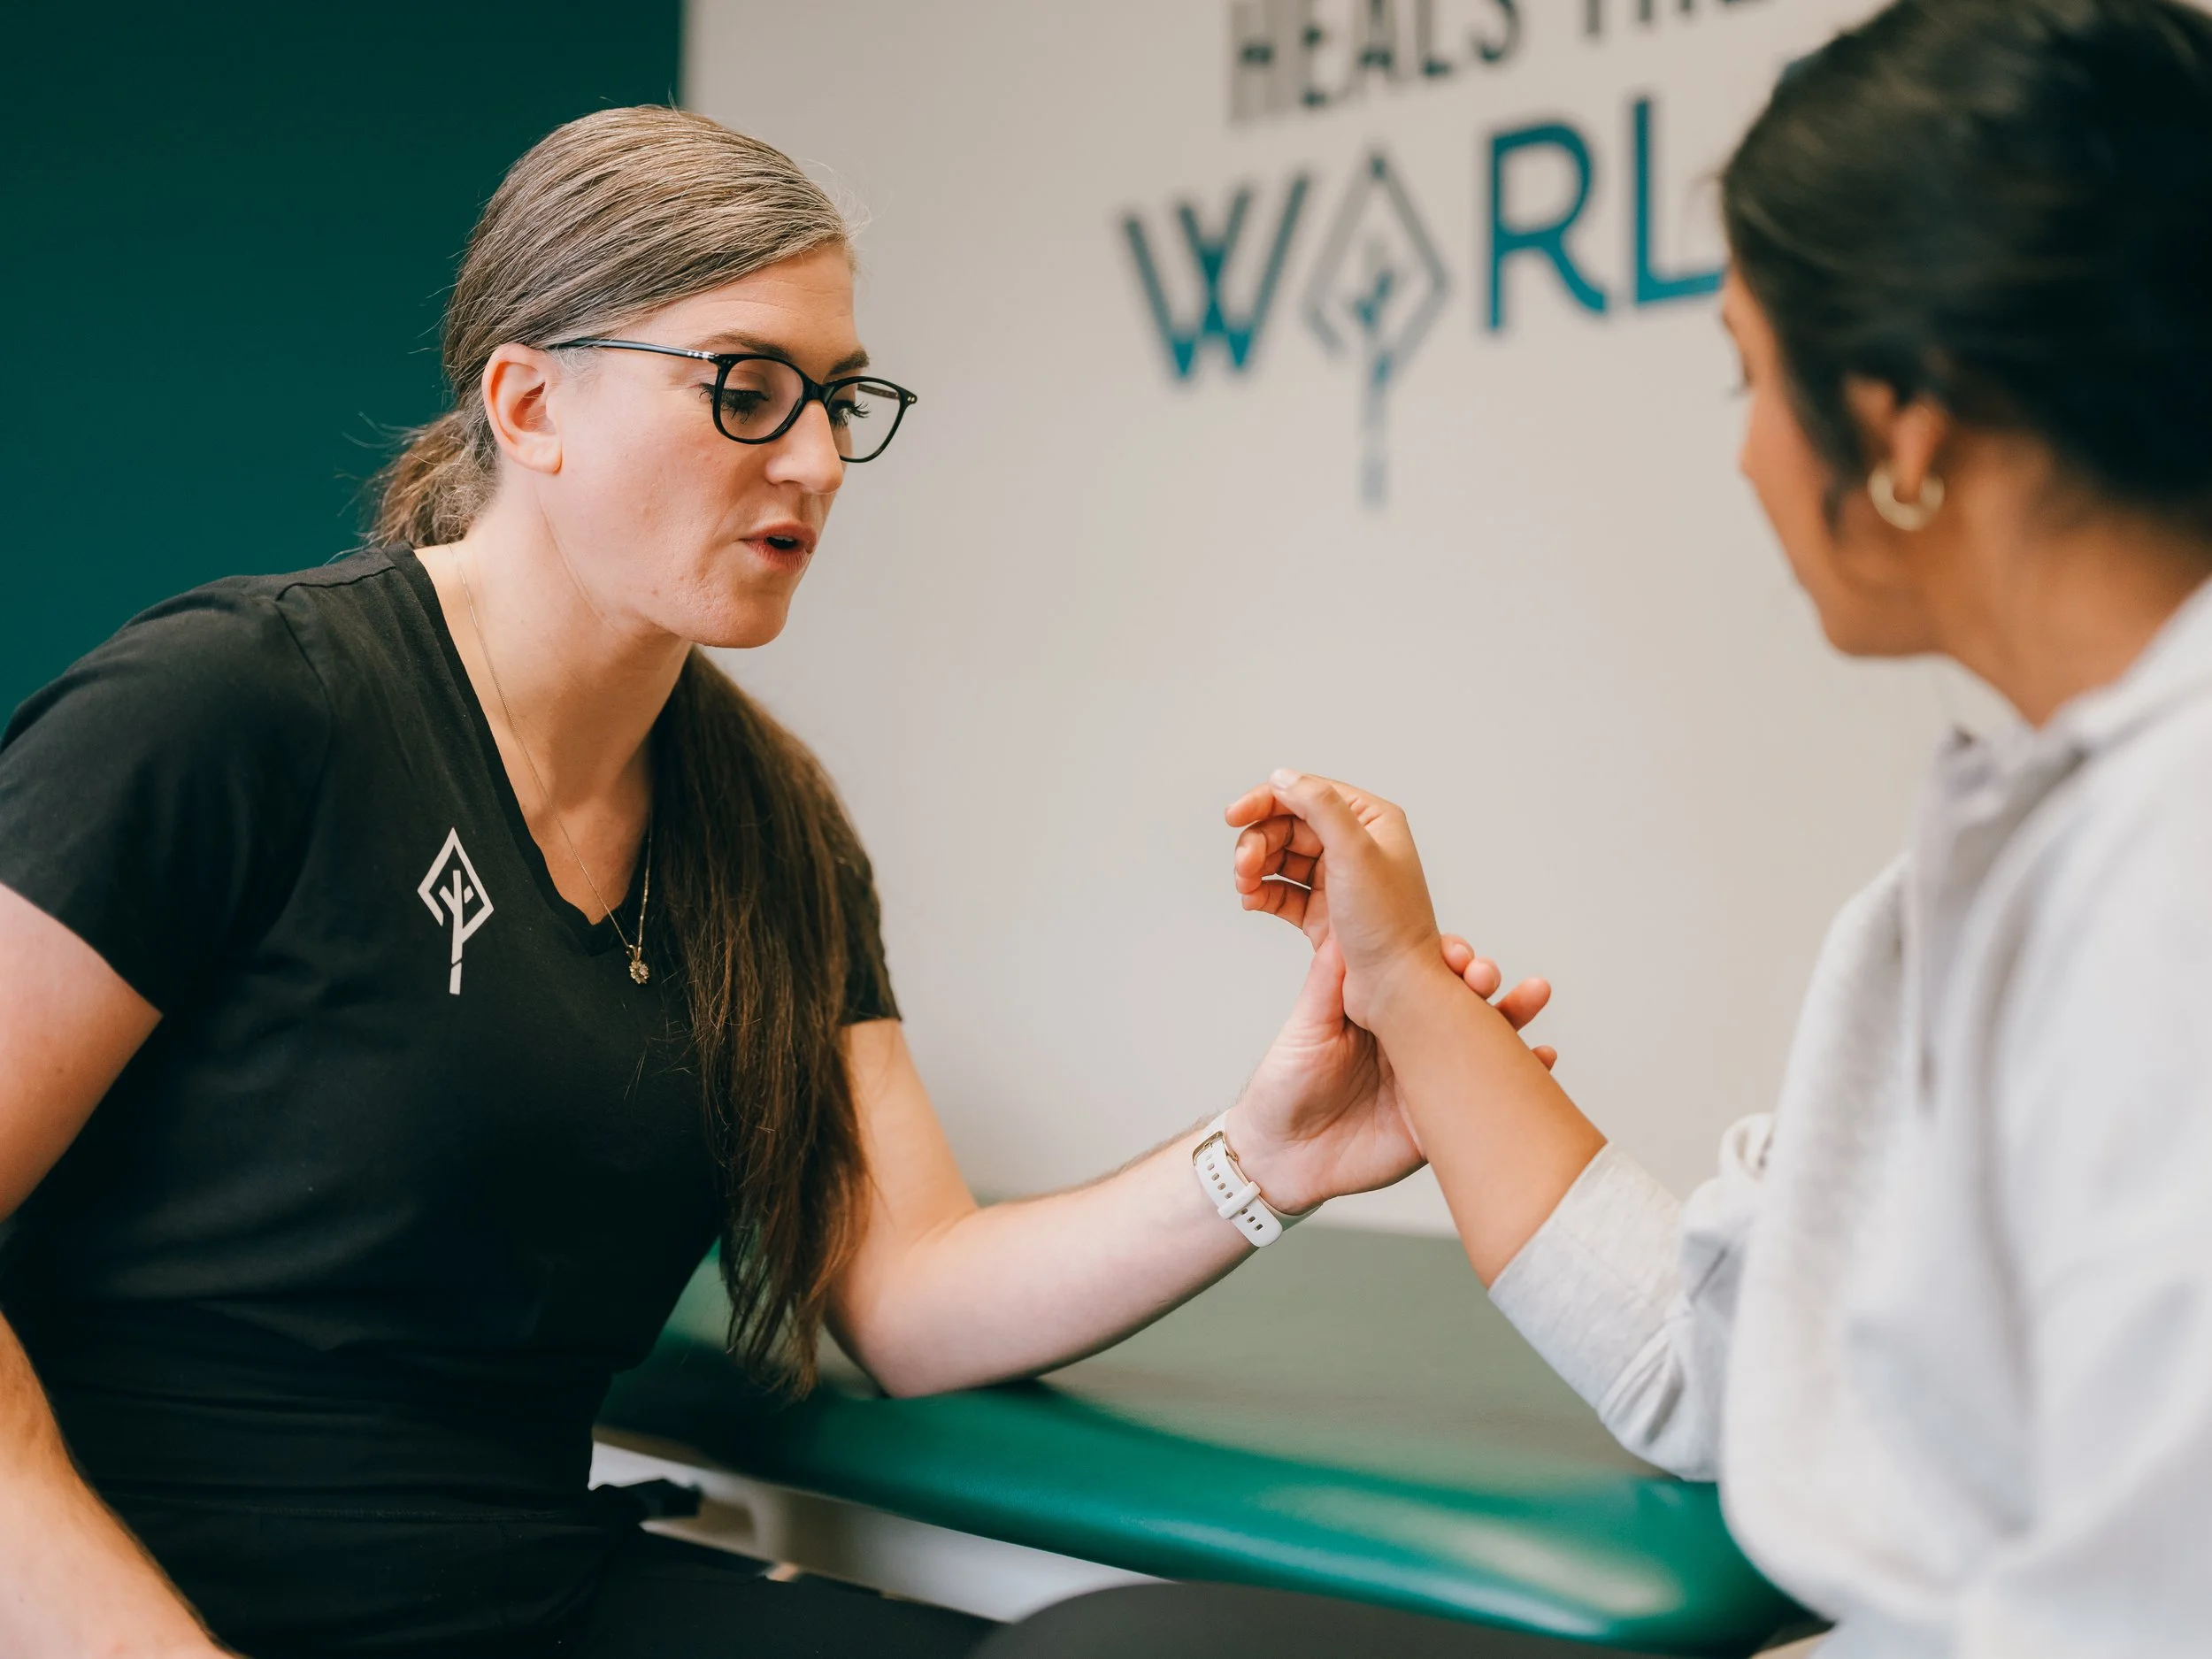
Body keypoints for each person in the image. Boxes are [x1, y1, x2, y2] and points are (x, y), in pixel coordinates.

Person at [0, 109, 1547, 1659]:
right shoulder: (234, 710)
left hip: (529, 1601)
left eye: (839, 399)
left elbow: (908, 1286)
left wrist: (1268, 1152)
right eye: (745, 389)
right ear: (530, 403)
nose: (814, 459)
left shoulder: (767, 825)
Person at [988, 0, 2212, 1654]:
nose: (1747, 453)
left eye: (1751, 375)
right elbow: (1725, 1361)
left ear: (1906, 432)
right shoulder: (2014, 855)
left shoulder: (2159, 886)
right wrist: (1402, 976)